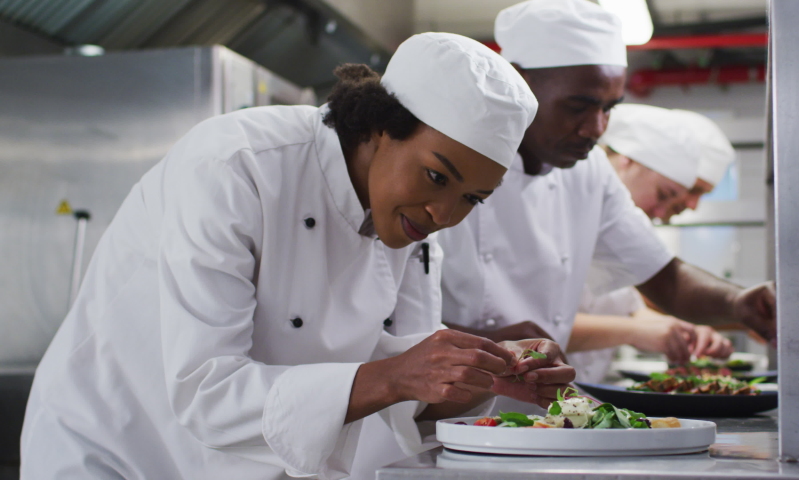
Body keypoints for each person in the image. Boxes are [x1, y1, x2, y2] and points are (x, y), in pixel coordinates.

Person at [20, 33, 574, 480]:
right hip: (118, 453)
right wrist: (397, 375)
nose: (444, 215)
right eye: (436, 176)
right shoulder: (238, 166)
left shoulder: (412, 223)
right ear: (383, 126)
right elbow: (207, 390)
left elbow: (397, 397)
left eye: (471, 199)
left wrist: (483, 377)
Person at [438, 0, 775, 393]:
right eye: (579, 106)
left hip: (546, 409)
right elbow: (398, 319)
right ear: (518, 82)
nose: (596, 127)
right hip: (447, 406)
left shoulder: (590, 171)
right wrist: (489, 342)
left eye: (608, 108)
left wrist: (738, 302)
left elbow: (666, 277)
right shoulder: (453, 157)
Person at [567, 104, 736, 383]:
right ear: (626, 161)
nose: (688, 207)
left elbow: (626, 307)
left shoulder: (615, 229)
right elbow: (538, 323)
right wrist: (633, 330)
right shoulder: (567, 211)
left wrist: (681, 330)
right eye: (667, 194)